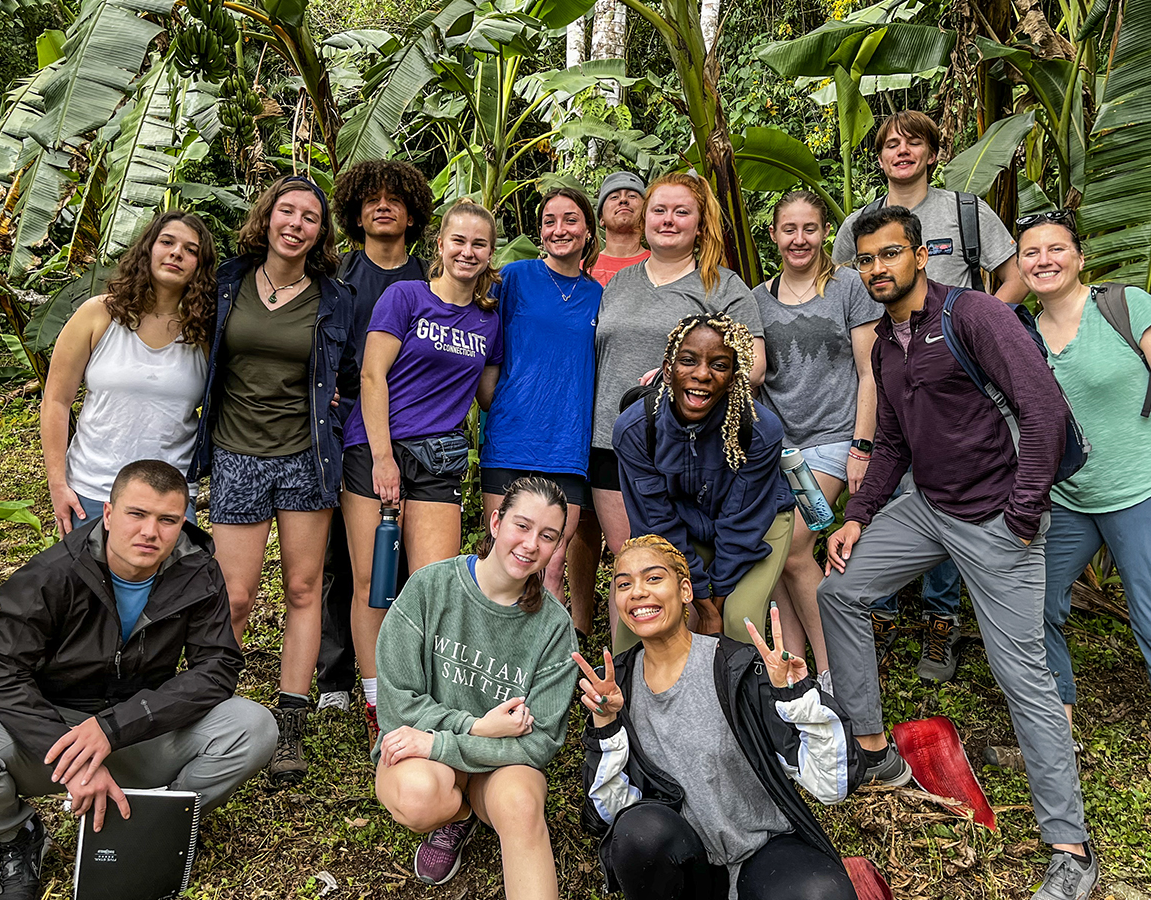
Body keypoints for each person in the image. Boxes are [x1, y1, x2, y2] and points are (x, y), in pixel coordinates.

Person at [817, 206, 1097, 900]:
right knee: (839, 591)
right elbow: (891, 445)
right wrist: (858, 517)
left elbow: (1044, 411)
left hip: (998, 517)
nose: (878, 268)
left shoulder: (973, 315)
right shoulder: (885, 344)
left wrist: (1024, 512)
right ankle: (875, 753)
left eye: (890, 254)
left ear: (918, 255)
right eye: (866, 260)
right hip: (929, 507)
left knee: (1021, 676)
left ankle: (1071, 849)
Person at [0, 460, 276, 900]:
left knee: (252, 727)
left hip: (137, 726)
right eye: (136, 514)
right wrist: (70, 754)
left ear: (182, 523)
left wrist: (113, 727)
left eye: (167, 520)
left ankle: (157, 822)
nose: (150, 532)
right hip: (52, 725)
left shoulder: (197, 571)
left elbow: (216, 668)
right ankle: (17, 835)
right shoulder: (53, 573)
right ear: (107, 513)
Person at [992, 211, 1151, 840]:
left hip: (1148, 488)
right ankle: (1056, 736)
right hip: (1072, 497)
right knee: (1030, 603)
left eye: (1056, 249)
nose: (1043, 260)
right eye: (1030, 252)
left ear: (1079, 257)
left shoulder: (1127, 305)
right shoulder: (1025, 332)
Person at [832, 110, 1024, 678]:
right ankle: (882, 615)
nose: (901, 151)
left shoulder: (964, 211)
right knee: (895, 495)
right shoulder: (857, 224)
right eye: (890, 144)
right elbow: (843, 292)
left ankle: (943, 622)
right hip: (889, 369)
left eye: (914, 142)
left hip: (958, 377)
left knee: (950, 490)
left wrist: (987, 327)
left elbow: (1011, 273)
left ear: (933, 153)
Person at [187, 174, 359, 783]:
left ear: (320, 233)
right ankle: (214, 711)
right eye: (288, 211)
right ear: (269, 216)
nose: (296, 224)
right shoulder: (228, 281)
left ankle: (290, 719)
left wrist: (338, 407)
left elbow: (355, 371)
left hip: (306, 457)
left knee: (303, 588)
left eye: (310, 217)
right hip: (236, 452)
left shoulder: (334, 298)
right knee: (233, 596)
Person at [577, 535, 860, 900]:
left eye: (653, 578)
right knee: (640, 833)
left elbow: (831, 785)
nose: (637, 592)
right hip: (687, 868)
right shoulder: (618, 690)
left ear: (684, 591)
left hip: (765, 850)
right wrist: (607, 723)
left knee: (821, 895)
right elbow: (609, 817)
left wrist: (796, 695)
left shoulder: (738, 669)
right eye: (624, 584)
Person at [344, 199, 504, 745]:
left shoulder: (488, 319)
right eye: (458, 240)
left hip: (440, 457)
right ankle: (375, 701)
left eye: (478, 244)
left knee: (430, 585)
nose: (467, 251)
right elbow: (372, 375)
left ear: (489, 254)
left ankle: (418, 697)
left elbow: (487, 392)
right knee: (372, 582)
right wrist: (384, 459)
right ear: (439, 244)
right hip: (376, 448)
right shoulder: (405, 296)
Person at [372, 477, 578, 898]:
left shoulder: (555, 628)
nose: (531, 544)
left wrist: (443, 744)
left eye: (547, 536)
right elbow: (397, 704)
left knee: (521, 805)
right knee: (416, 794)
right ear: (496, 521)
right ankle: (457, 814)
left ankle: (474, 804)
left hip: (498, 768)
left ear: (557, 546)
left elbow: (538, 743)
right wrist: (477, 729)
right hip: (426, 755)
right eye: (522, 526)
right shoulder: (430, 588)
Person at [591, 172, 766, 646]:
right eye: (659, 210)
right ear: (644, 219)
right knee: (631, 565)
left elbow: (754, 367)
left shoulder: (723, 286)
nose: (668, 220)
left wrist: (681, 378)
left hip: (691, 448)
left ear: (700, 223)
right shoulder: (619, 283)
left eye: (681, 211)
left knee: (671, 568)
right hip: (612, 441)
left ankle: (697, 678)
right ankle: (629, 680)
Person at [318, 161, 435, 713]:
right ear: (355, 213)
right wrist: (328, 393)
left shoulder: (432, 279)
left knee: (410, 556)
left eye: (394, 199)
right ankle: (337, 673)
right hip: (344, 429)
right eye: (370, 200)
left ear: (412, 213)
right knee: (343, 555)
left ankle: (407, 666)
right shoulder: (336, 277)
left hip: (414, 433)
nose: (382, 206)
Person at [754, 190, 880, 674]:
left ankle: (835, 675)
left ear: (825, 231)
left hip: (834, 438)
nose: (799, 239)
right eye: (789, 229)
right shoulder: (757, 298)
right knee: (779, 551)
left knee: (796, 546)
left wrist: (862, 446)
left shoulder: (848, 286)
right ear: (774, 235)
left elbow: (871, 373)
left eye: (809, 228)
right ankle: (794, 667)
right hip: (779, 448)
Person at [614, 312, 795, 648]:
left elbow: (741, 522)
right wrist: (699, 599)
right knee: (641, 614)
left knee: (740, 620)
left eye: (719, 365)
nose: (701, 374)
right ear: (668, 369)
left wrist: (718, 599)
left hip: (758, 524)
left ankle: (746, 697)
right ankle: (625, 696)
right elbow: (657, 522)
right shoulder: (636, 430)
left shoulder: (759, 430)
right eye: (688, 361)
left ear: (734, 376)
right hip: (682, 522)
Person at [41, 211, 215, 534]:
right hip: (93, 491)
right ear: (148, 250)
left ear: (200, 267)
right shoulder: (99, 314)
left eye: (191, 250)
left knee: (173, 586)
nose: (177, 252)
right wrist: (57, 484)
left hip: (171, 499)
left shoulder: (204, 334)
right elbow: (56, 399)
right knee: (89, 586)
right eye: (167, 242)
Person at [481, 186, 602, 605]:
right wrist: (494, 402)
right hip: (511, 439)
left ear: (588, 230)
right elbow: (480, 342)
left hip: (567, 445)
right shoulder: (515, 277)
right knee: (501, 559)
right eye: (550, 221)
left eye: (570, 220)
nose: (559, 229)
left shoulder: (600, 297)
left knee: (551, 568)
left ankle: (545, 668)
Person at [569, 170, 651, 637]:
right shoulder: (581, 267)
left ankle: (632, 627)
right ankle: (581, 620)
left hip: (636, 418)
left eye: (633, 196)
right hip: (581, 412)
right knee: (580, 524)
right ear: (598, 214)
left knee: (631, 527)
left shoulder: (657, 263)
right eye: (613, 197)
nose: (623, 201)